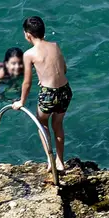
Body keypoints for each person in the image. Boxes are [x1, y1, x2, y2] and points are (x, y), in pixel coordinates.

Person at [12, 16, 72, 172]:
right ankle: (60, 161)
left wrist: (21, 101)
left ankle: (50, 160)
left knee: (42, 123)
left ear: (28, 35)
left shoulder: (29, 54)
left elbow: (27, 82)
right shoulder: (55, 45)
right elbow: (63, 69)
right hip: (65, 90)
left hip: (49, 94)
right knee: (58, 125)